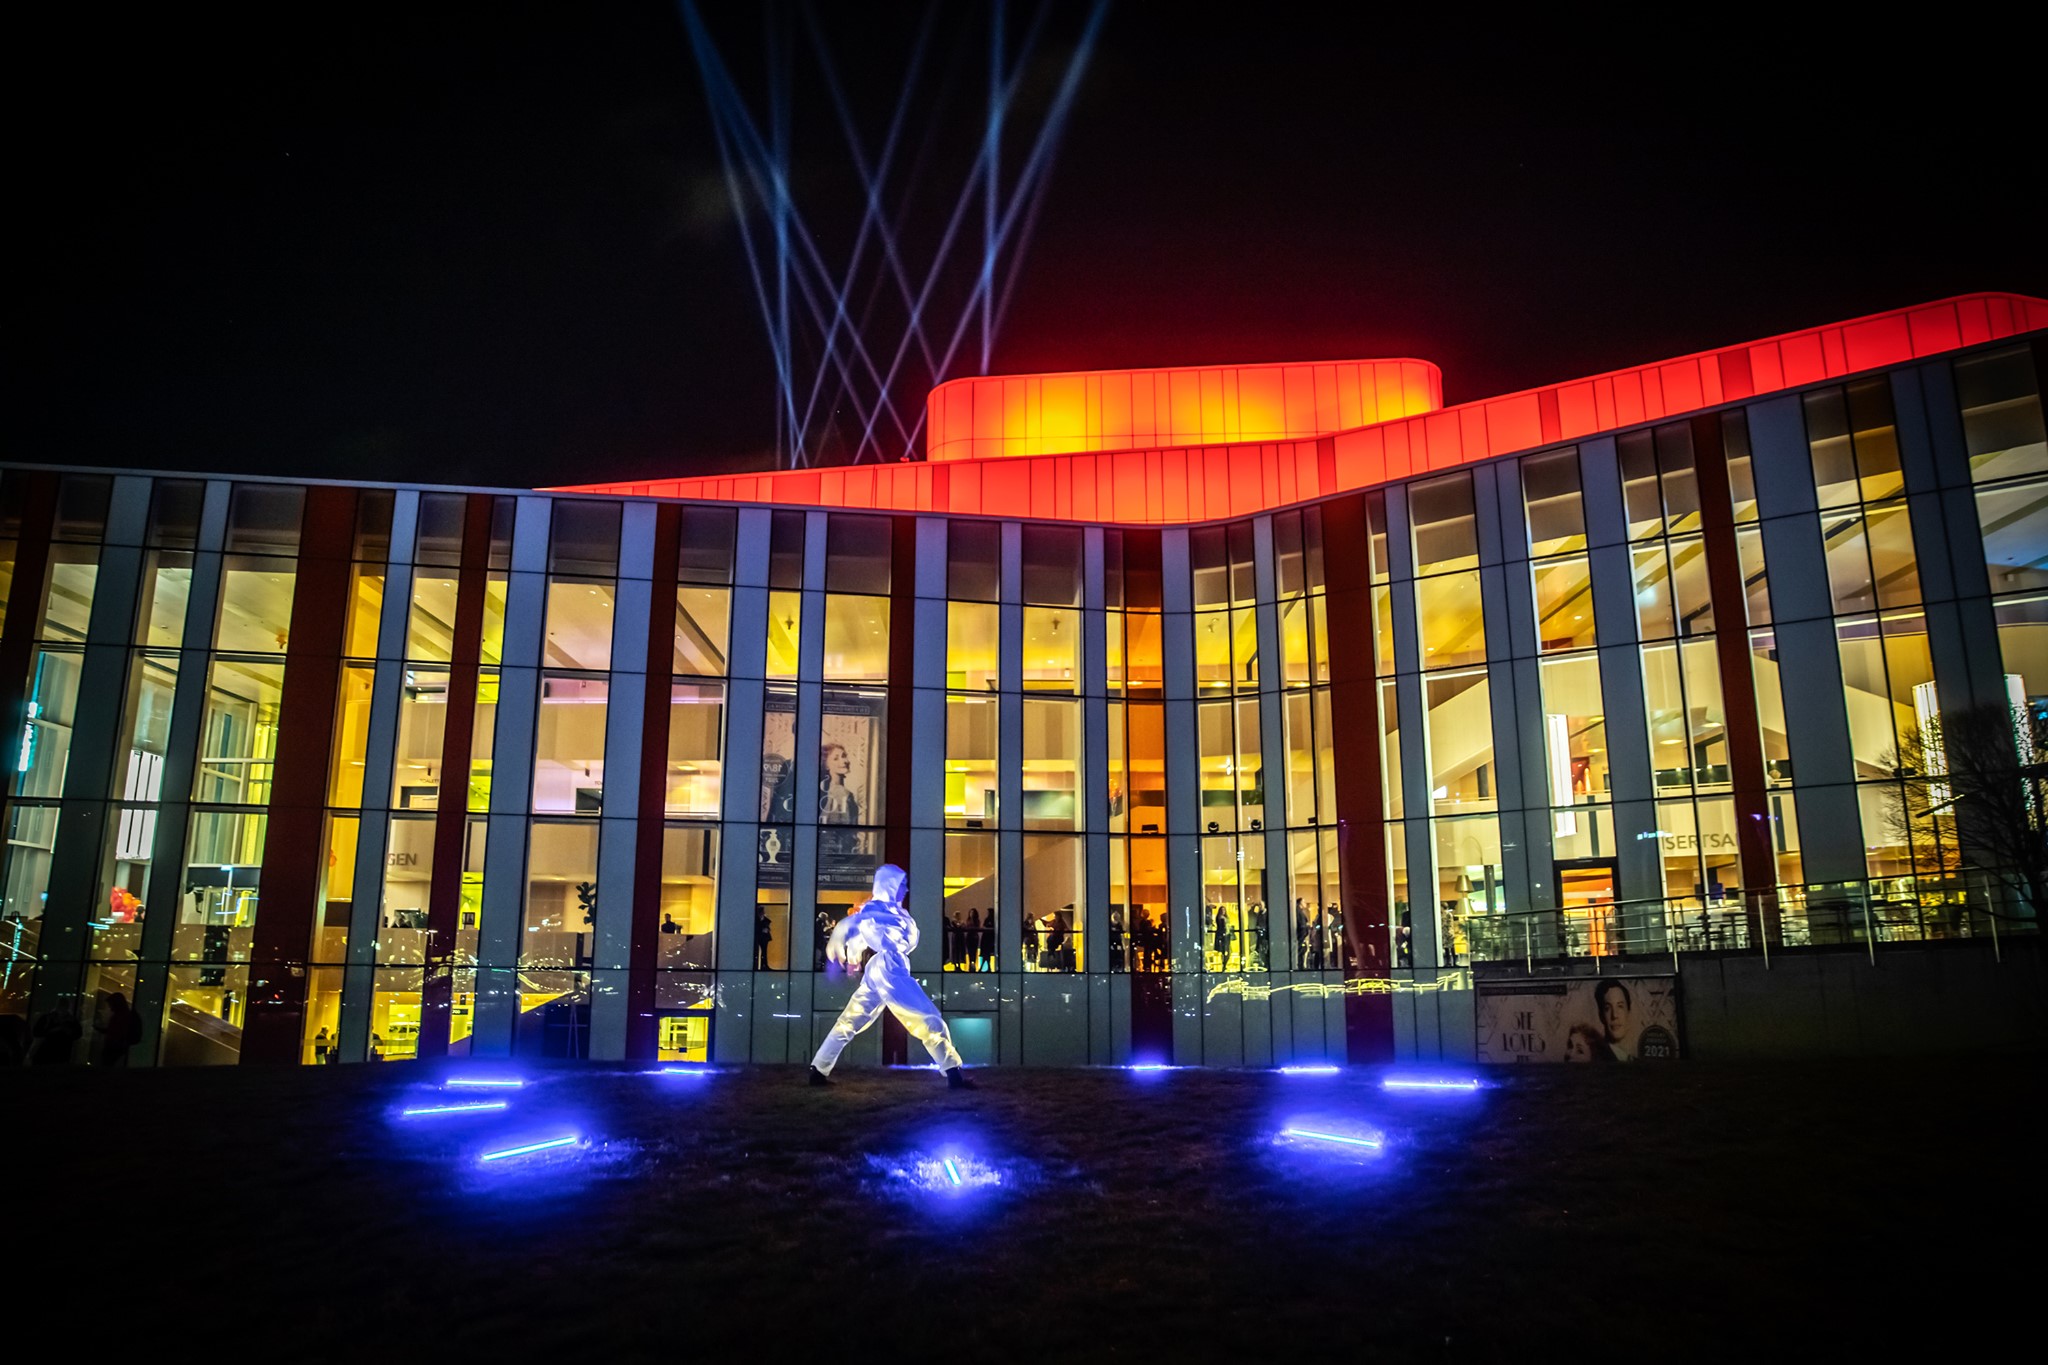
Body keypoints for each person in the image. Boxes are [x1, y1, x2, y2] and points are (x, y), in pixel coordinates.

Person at [808, 864, 973, 1090]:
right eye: (902, 884)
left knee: (850, 1020)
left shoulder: (895, 912)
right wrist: (843, 930)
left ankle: (818, 1069)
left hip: (881, 968)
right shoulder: (876, 908)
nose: (906, 889)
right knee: (926, 1016)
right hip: (889, 967)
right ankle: (953, 1072)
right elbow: (862, 919)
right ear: (890, 884)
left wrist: (855, 948)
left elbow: (867, 928)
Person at [1594, 978, 1637, 1061]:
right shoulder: (1596, 1060)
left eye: (1620, 1006)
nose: (1614, 1015)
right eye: (1607, 1008)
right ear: (1601, 1016)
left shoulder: (1635, 1061)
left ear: (1628, 1012)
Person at [94, 992, 137, 1067]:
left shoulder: (120, 1017)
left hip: (114, 1049)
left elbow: (116, 1032)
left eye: (111, 1005)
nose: (110, 1008)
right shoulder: (125, 1016)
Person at [1212, 904, 1233, 970]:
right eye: (1222, 910)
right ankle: (1224, 965)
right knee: (1225, 951)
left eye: (1224, 910)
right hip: (1223, 936)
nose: (1223, 911)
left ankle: (1224, 965)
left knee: (1228, 951)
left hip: (1226, 935)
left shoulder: (1224, 917)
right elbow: (1221, 927)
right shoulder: (1220, 918)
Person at [1250, 902, 1269, 970]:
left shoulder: (1267, 914)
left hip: (1266, 936)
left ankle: (1266, 964)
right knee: (1261, 949)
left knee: (1265, 949)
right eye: (1259, 905)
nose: (1260, 906)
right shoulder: (1259, 914)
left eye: (1261, 905)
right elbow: (1257, 923)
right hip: (1260, 936)